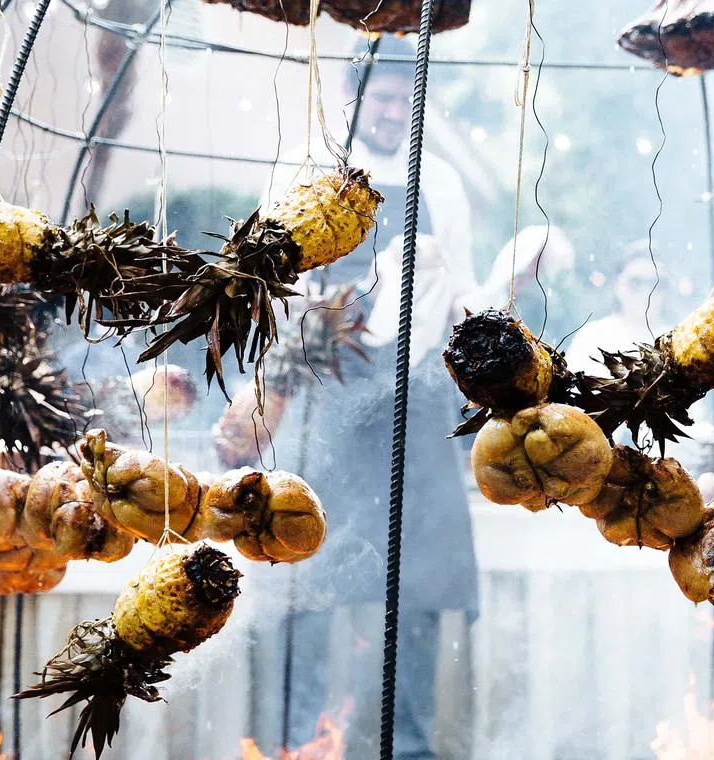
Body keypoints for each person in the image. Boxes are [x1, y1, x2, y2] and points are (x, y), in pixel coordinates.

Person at [260, 35, 479, 760]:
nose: (391, 112)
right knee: (307, 571)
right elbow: (267, 287)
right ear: (349, 97)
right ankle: (298, 742)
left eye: (403, 98)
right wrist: (321, 308)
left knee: (413, 580)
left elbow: (461, 299)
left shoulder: (438, 183)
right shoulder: (307, 172)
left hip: (414, 409)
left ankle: (405, 746)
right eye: (380, 96)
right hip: (325, 400)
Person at [565, 242, 663, 376]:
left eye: (655, 282)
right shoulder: (591, 335)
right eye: (635, 282)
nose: (646, 291)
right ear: (618, 283)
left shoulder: (673, 341)